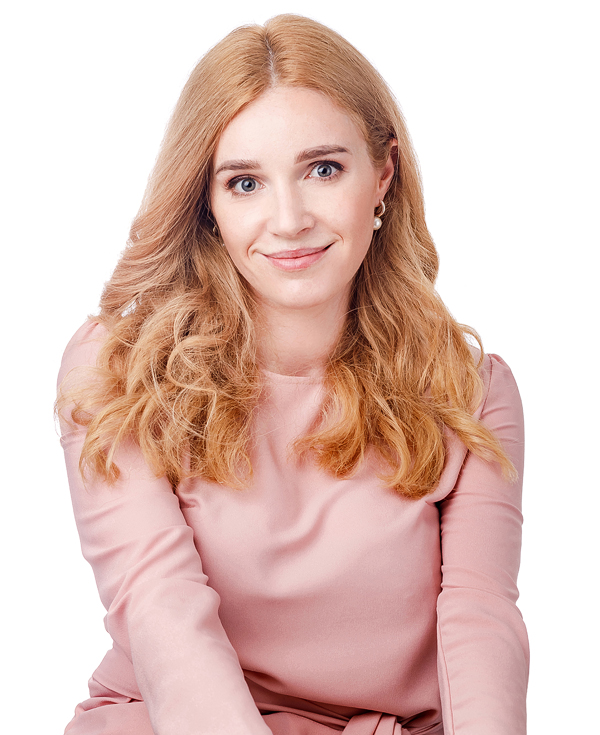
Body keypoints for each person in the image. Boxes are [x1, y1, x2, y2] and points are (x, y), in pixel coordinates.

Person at [56, 14, 528, 735]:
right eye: (245, 182)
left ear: (384, 175)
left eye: (323, 170)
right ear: (208, 204)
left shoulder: (472, 392)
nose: (288, 219)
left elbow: (480, 616)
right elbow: (159, 611)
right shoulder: (117, 372)